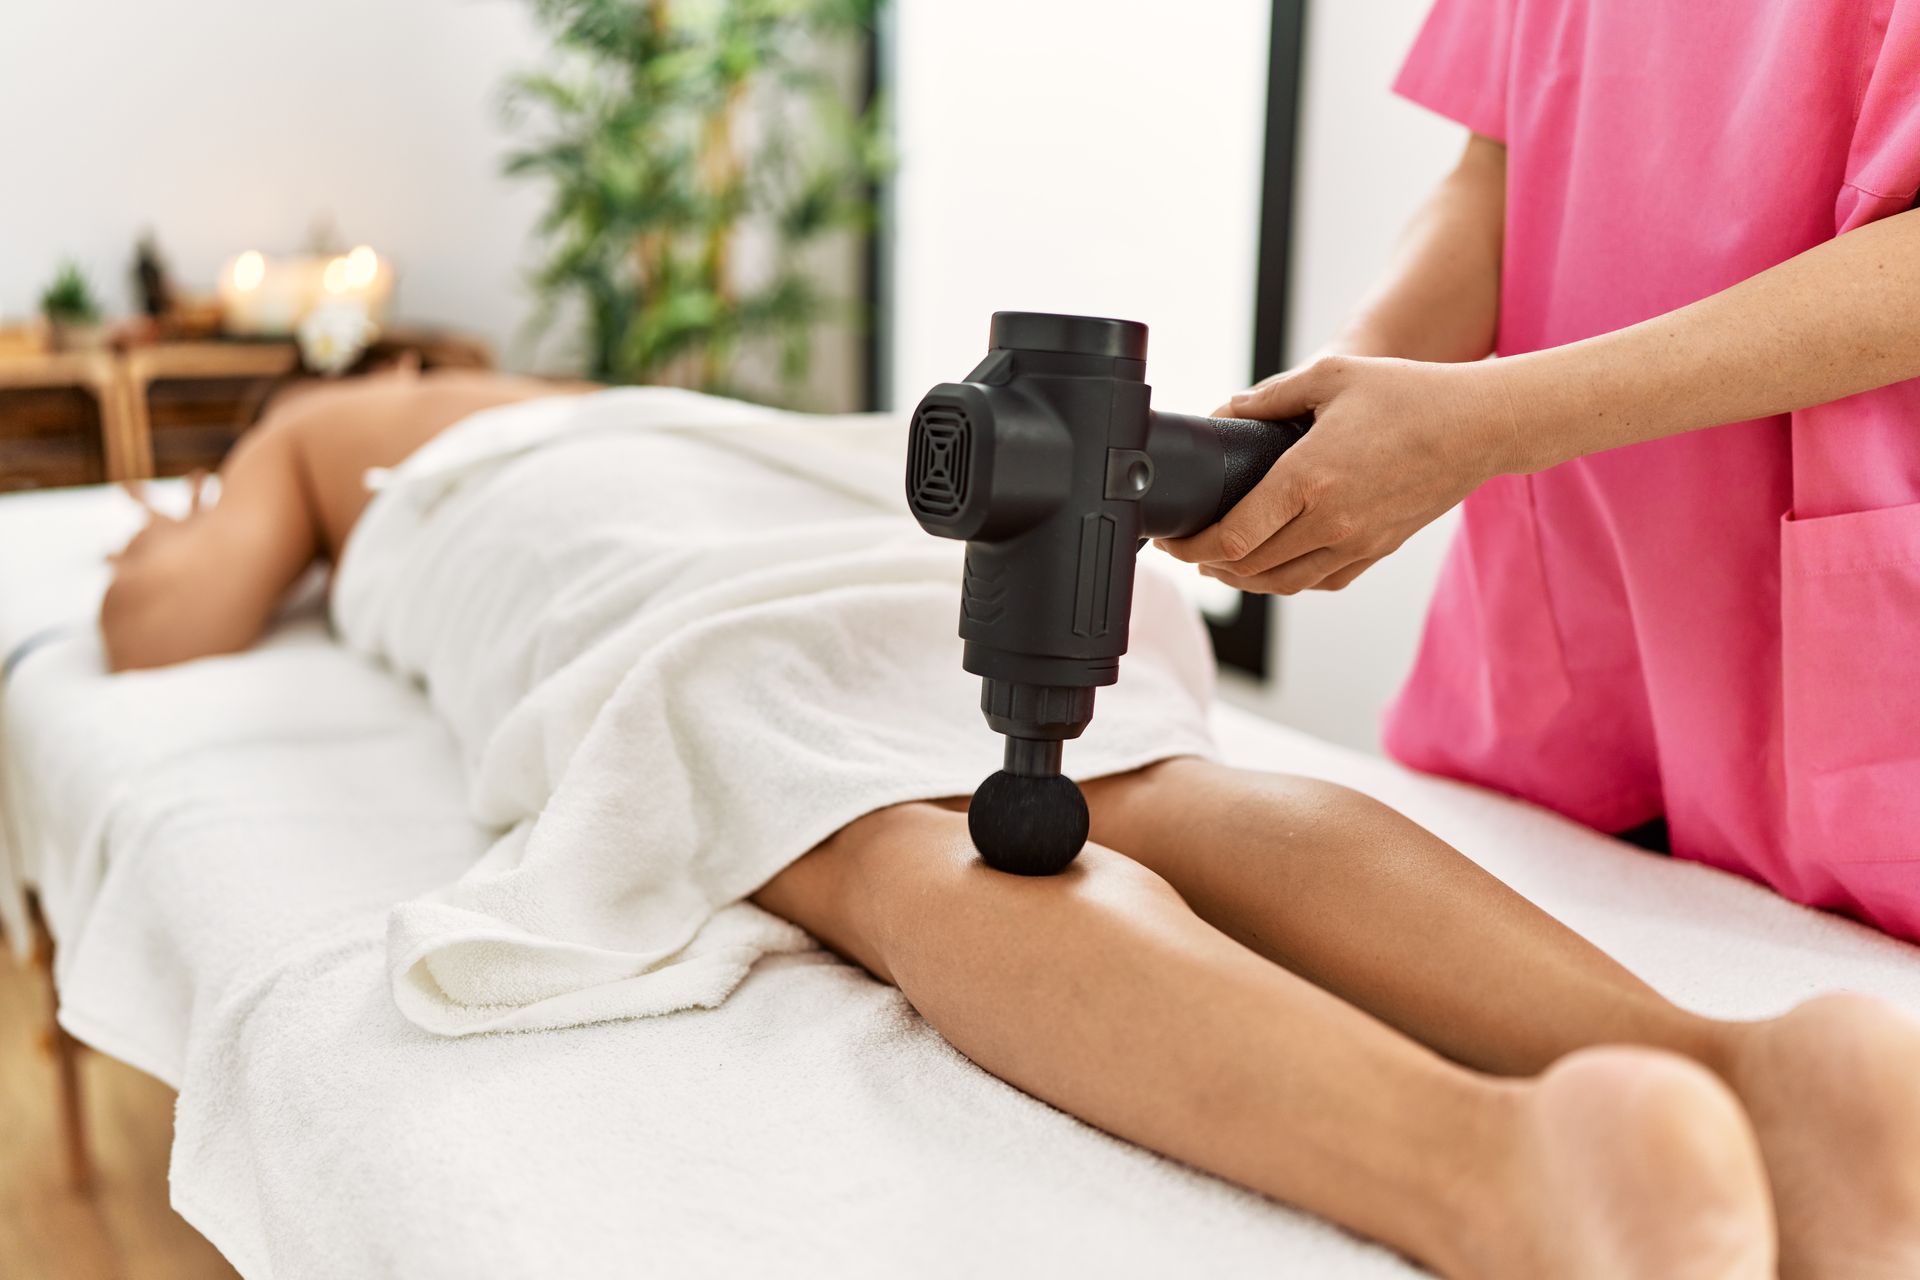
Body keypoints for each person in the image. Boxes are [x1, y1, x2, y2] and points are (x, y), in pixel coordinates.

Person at [100, 369, 1920, 1279]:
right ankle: (1729, 1074)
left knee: (906, 844)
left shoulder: (352, 426)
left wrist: (192, 517)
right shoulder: (670, 406)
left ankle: (1499, 1174)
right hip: (859, 525)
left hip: (646, 591)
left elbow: (158, 620)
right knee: (1155, 779)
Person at [1158, 0, 1920, 941]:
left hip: (1847, 683)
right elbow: (1494, 173)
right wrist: (1340, 396)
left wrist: (1490, 424)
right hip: (1567, 647)